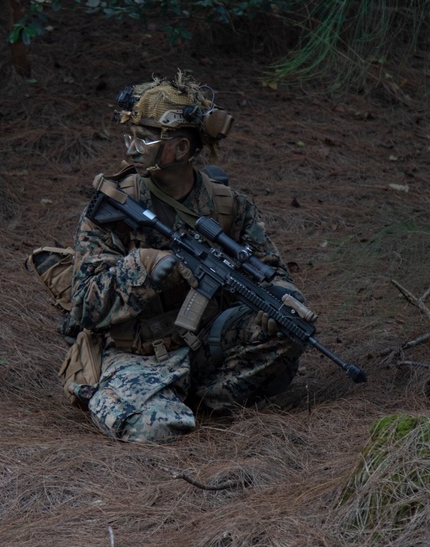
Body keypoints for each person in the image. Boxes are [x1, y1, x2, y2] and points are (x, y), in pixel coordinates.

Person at [65, 72, 306, 442]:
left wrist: (282, 300)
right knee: (154, 430)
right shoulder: (115, 206)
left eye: (142, 139)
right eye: (128, 136)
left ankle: (208, 398)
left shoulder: (228, 205)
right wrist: (142, 268)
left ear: (178, 148)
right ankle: (152, 397)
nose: (130, 148)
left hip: (207, 341)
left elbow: (270, 272)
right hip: (140, 350)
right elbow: (84, 305)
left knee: (289, 324)